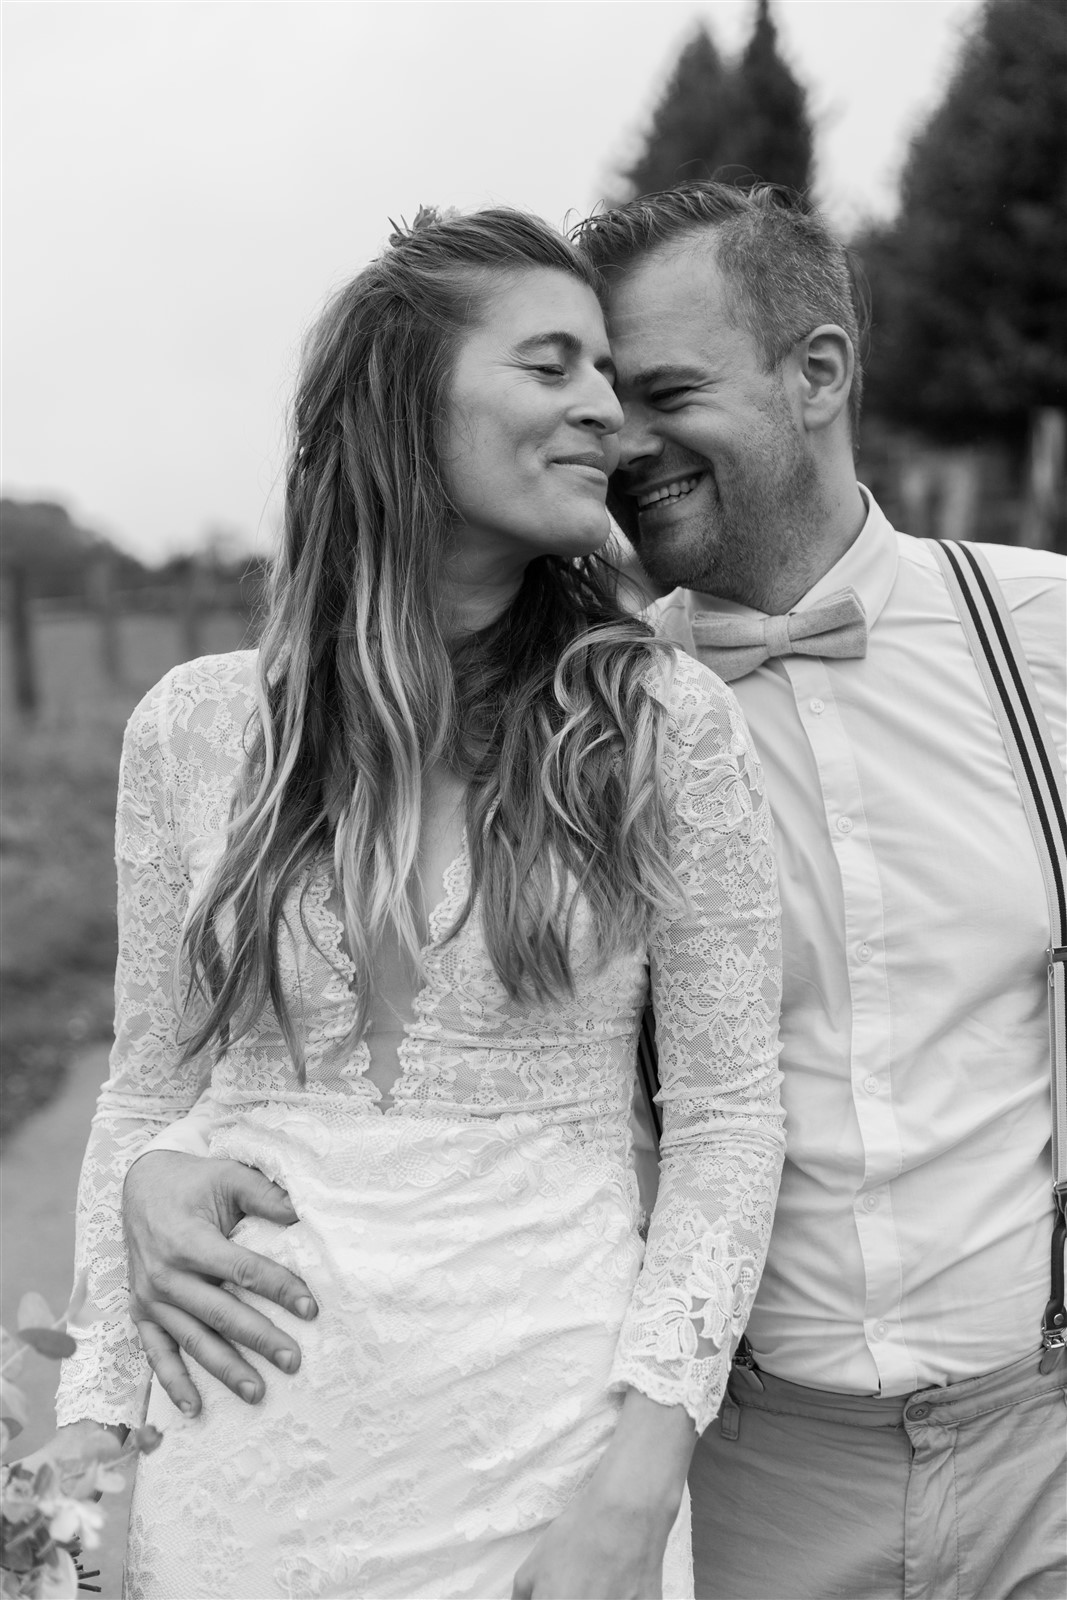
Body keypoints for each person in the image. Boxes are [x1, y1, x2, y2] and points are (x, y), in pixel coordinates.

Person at [52, 205, 784, 1600]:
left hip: (548, 1463)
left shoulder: (659, 722)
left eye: (608, 372)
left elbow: (729, 1123)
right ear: (403, 400)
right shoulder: (195, 731)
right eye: (553, 365)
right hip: (241, 1463)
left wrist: (637, 1492)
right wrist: (87, 1451)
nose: (607, 411)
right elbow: (146, 1091)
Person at [573, 182, 1067, 1599]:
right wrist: (181, 1159)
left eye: (670, 392)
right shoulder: (587, 718)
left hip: (1048, 1448)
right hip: (740, 1478)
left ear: (819, 372)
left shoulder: (1046, 634)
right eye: (609, 407)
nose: (628, 446)